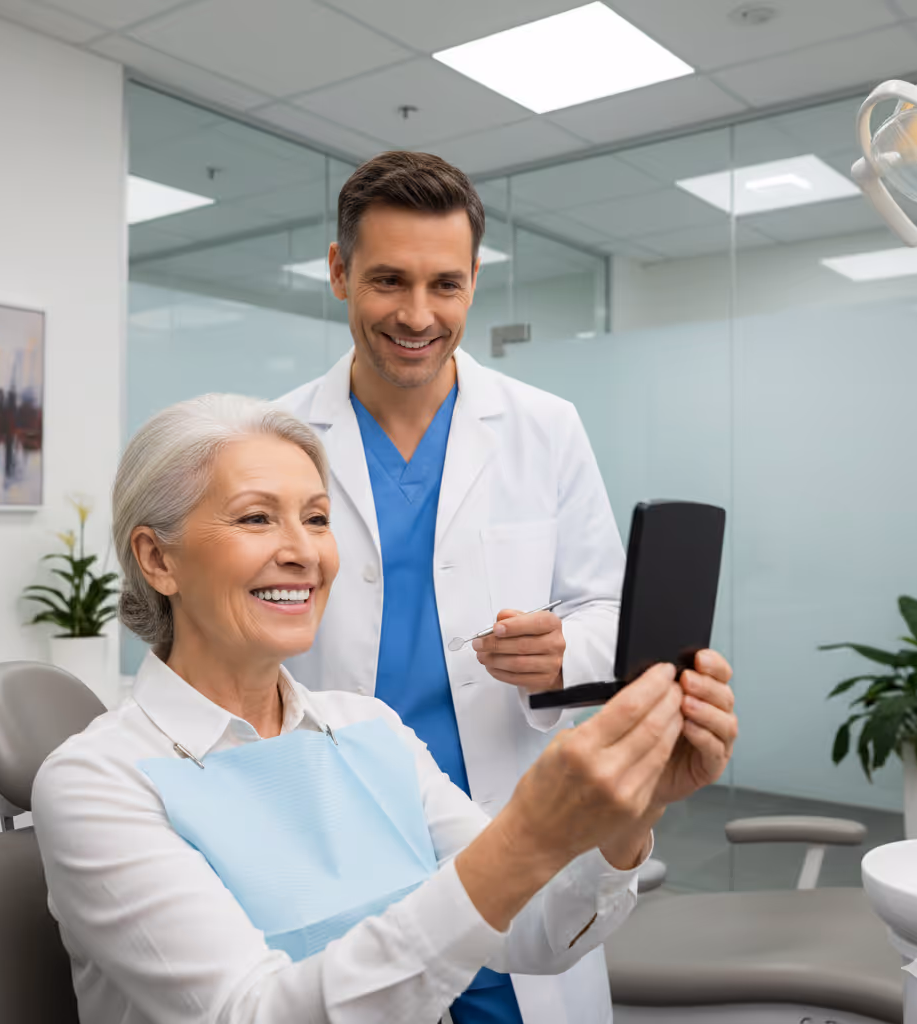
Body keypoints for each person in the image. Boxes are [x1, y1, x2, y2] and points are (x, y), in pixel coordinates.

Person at [32, 394, 738, 1024]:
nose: (303, 552)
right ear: (158, 560)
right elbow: (250, 1013)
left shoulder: (368, 728)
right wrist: (525, 835)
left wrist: (634, 808)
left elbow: (535, 933)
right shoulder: (98, 783)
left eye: (316, 518)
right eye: (256, 518)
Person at [277, 151, 628, 1022]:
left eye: (446, 285)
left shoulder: (545, 428)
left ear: (475, 281)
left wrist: (561, 652)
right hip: (333, 835)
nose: (417, 315)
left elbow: (609, 613)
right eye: (389, 280)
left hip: (504, 826)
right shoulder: (278, 438)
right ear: (338, 272)